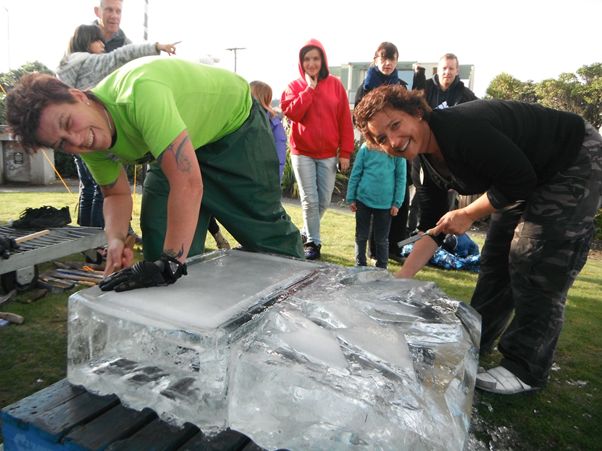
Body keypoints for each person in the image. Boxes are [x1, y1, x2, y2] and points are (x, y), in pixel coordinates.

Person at [353, 84, 602, 394]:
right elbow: (433, 229)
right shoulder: (423, 162)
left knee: (534, 257)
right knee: (496, 256)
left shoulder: (460, 129)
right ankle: (476, 340)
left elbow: (520, 180)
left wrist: (468, 213)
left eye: (395, 125)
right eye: (381, 139)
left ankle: (526, 367)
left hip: (571, 159)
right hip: (524, 174)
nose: (394, 140)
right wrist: (399, 281)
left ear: (417, 113)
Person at [6, 57, 304, 292]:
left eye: (69, 122)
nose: (77, 140)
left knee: (263, 233)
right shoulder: (89, 144)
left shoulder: (140, 91)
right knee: (159, 240)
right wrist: (115, 239)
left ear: (77, 96)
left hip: (234, 130)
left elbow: (187, 183)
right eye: (61, 143)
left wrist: (172, 262)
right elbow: (116, 194)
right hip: (172, 149)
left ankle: (301, 296)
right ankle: (183, 333)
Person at [57, 24, 177, 229]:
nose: (103, 45)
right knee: (100, 189)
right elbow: (121, 55)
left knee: (88, 189)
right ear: (86, 41)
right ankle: (100, 238)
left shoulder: (66, 67)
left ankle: (88, 239)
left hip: (78, 138)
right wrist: (156, 46)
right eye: (97, 40)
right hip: (92, 135)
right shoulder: (88, 62)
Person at [281, 39, 354, 260]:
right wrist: (309, 90)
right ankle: (313, 243)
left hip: (329, 154)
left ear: (322, 60)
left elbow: (344, 121)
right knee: (309, 200)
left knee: (323, 201)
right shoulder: (294, 87)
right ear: (301, 63)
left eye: (315, 58)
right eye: (307, 59)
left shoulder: (336, 85)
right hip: (302, 152)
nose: (311, 63)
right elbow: (292, 114)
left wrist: (346, 153)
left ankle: (305, 232)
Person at [408, 53, 479, 234]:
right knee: (419, 198)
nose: (447, 72)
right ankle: (414, 234)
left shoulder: (465, 94)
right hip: (423, 157)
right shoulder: (426, 89)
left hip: (449, 161)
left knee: (444, 204)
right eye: (444, 68)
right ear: (438, 70)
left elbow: (479, 115)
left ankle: (437, 238)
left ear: (457, 71)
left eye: (451, 68)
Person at [346, 143, 405, 269]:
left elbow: (401, 178)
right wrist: (351, 197)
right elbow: (356, 172)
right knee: (361, 235)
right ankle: (360, 264)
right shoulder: (365, 148)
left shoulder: (397, 152)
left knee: (382, 239)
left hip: (385, 204)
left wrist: (397, 203)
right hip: (363, 200)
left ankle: (382, 267)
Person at [250, 80, 287, 182]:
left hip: (258, 177)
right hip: (266, 179)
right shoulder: (274, 121)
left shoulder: (270, 122)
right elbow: (280, 156)